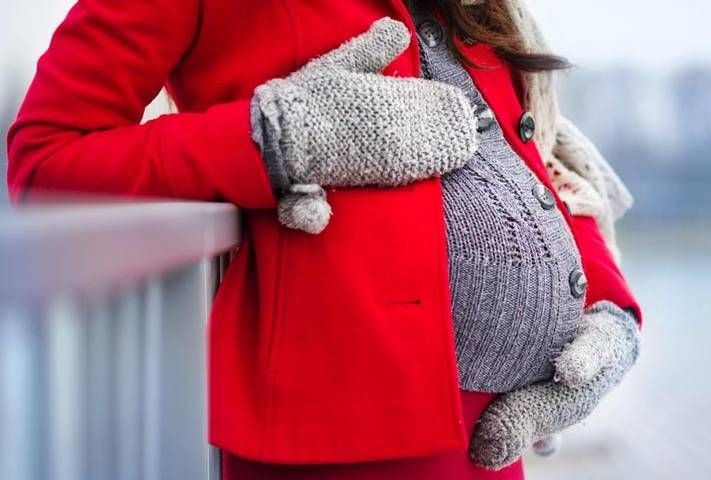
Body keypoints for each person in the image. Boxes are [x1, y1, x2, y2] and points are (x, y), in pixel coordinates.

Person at [7, 0, 642, 478]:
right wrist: (274, 139)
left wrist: (609, 311)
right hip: (338, 439)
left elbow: (532, 158)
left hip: (492, 440)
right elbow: (43, 163)